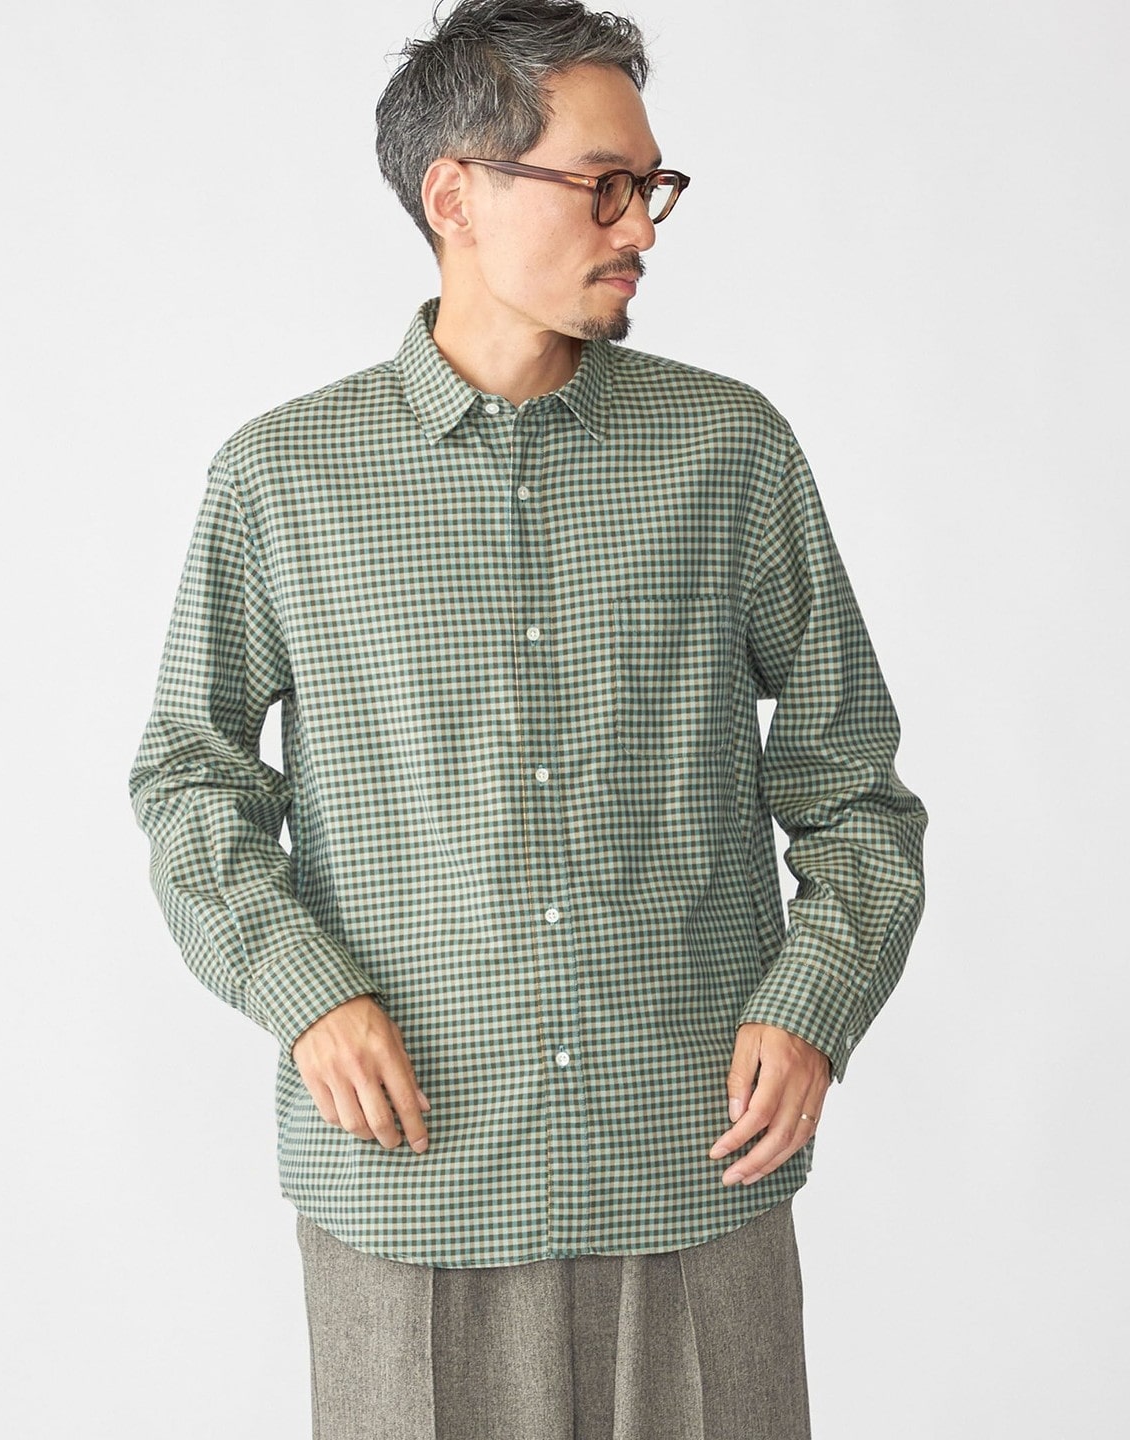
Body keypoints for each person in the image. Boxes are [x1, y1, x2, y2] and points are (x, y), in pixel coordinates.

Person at [129, 2, 927, 1435]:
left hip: (692, 1165)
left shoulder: (730, 453)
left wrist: (813, 1005)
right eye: (603, 185)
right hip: (415, 1181)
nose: (643, 225)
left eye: (653, 186)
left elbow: (854, 789)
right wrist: (304, 991)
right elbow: (191, 783)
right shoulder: (282, 481)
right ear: (457, 194)